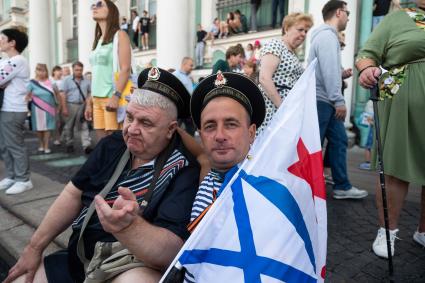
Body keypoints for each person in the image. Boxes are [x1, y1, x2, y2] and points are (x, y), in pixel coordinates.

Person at [4, 67, 199, 283]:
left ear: (171, 129)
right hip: (80, 259)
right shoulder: (113, 144)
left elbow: (172, 251)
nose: (132, 129)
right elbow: (73, 194)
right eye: (130, 117)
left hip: (127, 268)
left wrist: (130, 227)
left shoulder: (183, 169)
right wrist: (34, 247)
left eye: (146, 123)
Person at [356, 0, 425, 258]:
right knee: (395, 167)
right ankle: (387, 232)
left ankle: (423, 232)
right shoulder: (398, 17)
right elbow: (366, 55)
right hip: (400, 96)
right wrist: (367, 69)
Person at [184, 72, 265, 282]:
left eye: (231, 124)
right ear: (201, 136)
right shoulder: (209, 179)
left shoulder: (266, 189)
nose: (219, 136)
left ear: (252, 132)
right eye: (210, 126)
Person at [307, 0, 368, 200]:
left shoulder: (325, 36)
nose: (349, 18)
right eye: (347, 14)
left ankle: (341, 185)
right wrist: (338, 100)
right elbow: (327, 71)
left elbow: (325, 70)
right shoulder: (327, 37)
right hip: (323, 101)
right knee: (315, 146)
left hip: (324, 100)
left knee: (339, 140)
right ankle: (307, 187)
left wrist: (340, 74)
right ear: (339, 12)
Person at [258, 12, 313, 133]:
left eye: (306, 31)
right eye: (300, 29)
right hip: (273, 109)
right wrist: (282, 108)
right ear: (287, 28)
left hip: (286, 110)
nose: (303, 34)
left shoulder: (292, 53)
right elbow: (264, 78)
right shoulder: (276, 45)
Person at [86, 0, 131, 141]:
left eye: (100, 4)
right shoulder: (98, 40)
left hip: (110, 97)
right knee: (101, 145)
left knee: (114, 145)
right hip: (96, 99)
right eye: (93, 5)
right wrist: (89, 101)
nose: (95, 7)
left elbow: (125, 69)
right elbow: (97, 72)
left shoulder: (120, 35)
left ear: (111, 11)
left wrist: (116, 96)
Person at [0, 28, 33, 195]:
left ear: (12, 42)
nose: (0, 41)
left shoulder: (18, 60)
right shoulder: (8, 61)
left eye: (2, 38)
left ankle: (24, 179)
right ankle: (12, 176)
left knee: (15, 145)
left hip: (14, 108)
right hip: (7, 108)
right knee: (5, 146)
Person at [60, 61, 93, 154]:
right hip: (71, 105)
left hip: (83, 105)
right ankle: (69, 144)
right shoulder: (67, 80)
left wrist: (88, 105)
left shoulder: (87, 80)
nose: (79, 71)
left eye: (80, 70)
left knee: (84, 125)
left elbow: (90, 93)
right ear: (73, 69)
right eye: (76, 70)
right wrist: (64, 107)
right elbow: (63, 94)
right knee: (69, 126)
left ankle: (86, 146)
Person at [26, 64, 59, 155]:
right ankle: (41, 144)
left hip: (49, 108)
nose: (41, 72)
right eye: (39, 70)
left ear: (46, 72)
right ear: (36, 71)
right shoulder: (32, 82)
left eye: (43, 70)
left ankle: (46, 146)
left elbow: (57, 94)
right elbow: (26, 95)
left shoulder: (51, 82)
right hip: (36, 109)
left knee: (48, 127)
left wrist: (59, 106)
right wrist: (26, 108)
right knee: (39, 128)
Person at [51, 65, 64, 146]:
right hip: (54, 103)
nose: (60, 72)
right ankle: (56, 138)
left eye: (60, 71)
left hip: (63, 102)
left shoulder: (64, 81)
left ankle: (60, 135)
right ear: (54, 72)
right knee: (56, 122)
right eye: (58, 71)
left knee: (63, 121)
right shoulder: (51, 81)